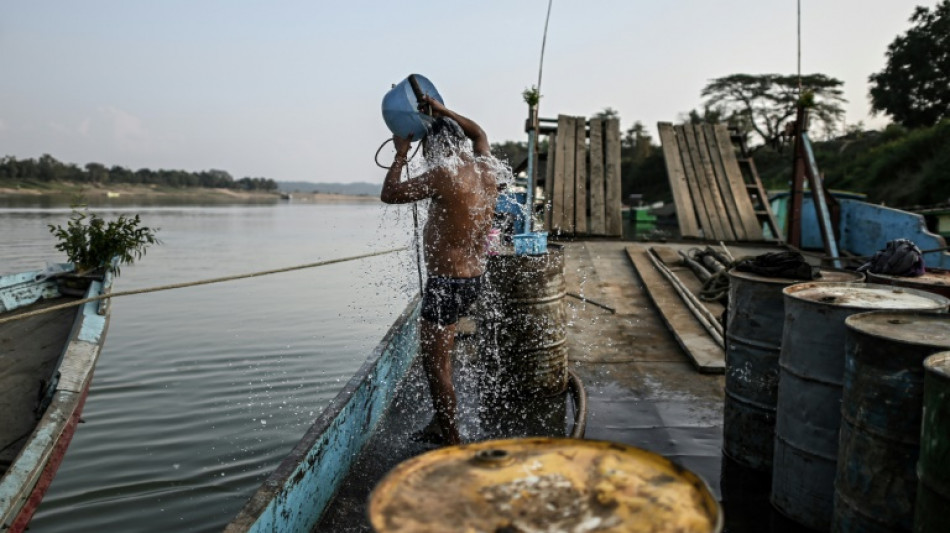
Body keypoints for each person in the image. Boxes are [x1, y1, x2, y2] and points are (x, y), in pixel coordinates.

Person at [380, 95, 498, 445]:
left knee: (437, 366)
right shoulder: (487, 168)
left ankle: (451, 440)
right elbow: (479, 133)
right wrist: (443, 111)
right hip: (474, 278)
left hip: (447, 283)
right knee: (442, 356)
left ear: (434, 146)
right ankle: (440, 422)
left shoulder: (444, 174)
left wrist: (401, 153)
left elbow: (390, 193)